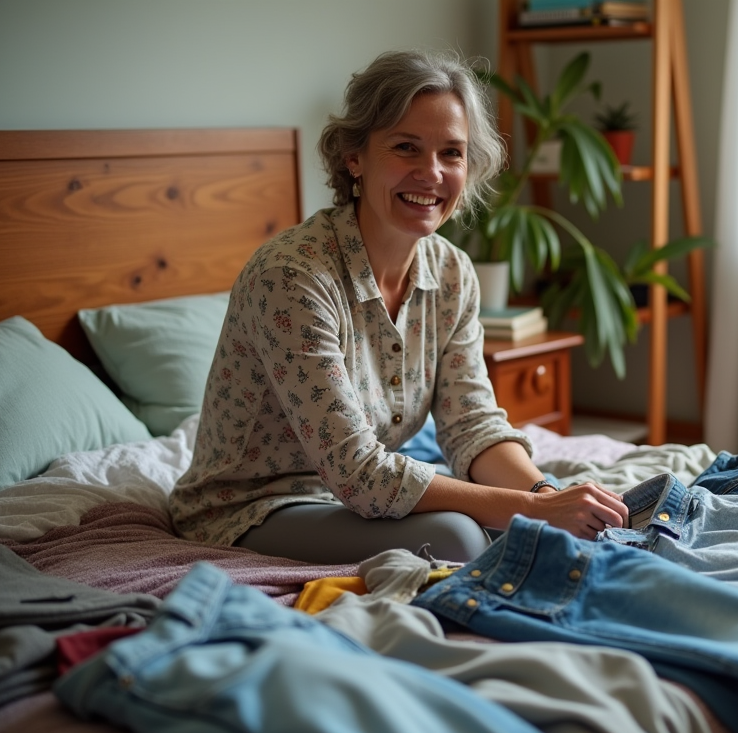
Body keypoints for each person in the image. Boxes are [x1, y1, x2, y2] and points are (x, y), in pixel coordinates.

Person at [170, 49, 628, 563]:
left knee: (535, 524)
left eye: (451, 153)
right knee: (462, 538)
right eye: (406, 147)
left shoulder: (452, 274)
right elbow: (358, 470)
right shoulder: (292, 278)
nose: (430, 173)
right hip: (255, 505)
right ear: (354, 157)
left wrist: (543, 496)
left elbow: (471, 425)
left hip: (356, 497)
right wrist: (532, 512)